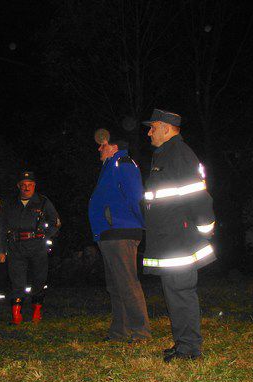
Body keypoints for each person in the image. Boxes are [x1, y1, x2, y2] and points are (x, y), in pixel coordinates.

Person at [141, 109, 216, 362]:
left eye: (152, 127)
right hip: (167, 238)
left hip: (179, 239)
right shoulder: (164, 154)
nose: (149, 132)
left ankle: (190, 349)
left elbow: (197, 195)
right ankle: (183, 343)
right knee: (173, 292)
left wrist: (204, 229)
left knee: (181, 291)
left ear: (165, 127)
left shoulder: (180, 154)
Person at [89, 128, 150, 342]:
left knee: (127, 283)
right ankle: (119, 332)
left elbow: (136, 197)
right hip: (108, 233)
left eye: (103, 144)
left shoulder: (123, 164)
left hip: (121, 232)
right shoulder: (109, 166)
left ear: (114, 147)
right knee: (115, 285)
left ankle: (140, 333)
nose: (99, 148)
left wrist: (141, 224)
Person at [0, 171, 60, 324]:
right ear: (18, 186)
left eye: (30, 185)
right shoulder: (10, 203)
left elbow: (56, 222)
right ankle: (16, 314)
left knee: (39, 279)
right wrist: (2, 249)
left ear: (34, 186)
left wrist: (45, 236)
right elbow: (1, 227)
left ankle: (36, 311)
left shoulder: (43, 202)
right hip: (15, 246)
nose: (27, 188)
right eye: (23, 185)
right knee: (17, 280)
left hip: (37, 247)